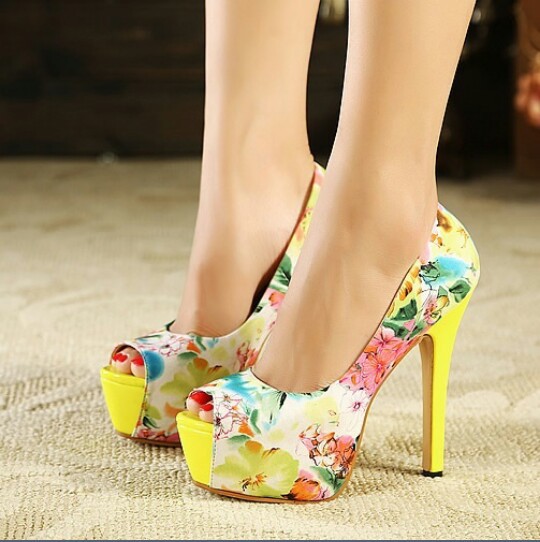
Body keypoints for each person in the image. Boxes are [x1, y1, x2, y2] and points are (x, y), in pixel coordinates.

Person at [101, 0, 480, 501]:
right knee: (251, 152)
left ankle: (382, 218)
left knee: (382, 172)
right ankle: (261, 191)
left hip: (388, 235)